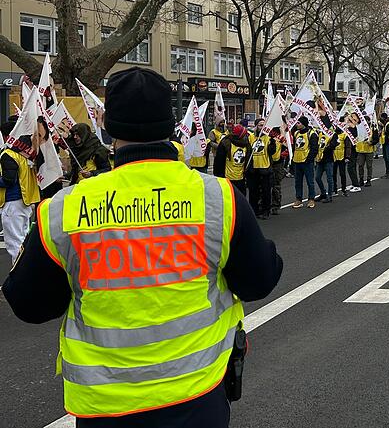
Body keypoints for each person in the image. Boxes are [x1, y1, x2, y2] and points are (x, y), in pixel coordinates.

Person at [2, 67, 282, 427]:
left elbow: (28, 303)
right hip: (195, 394)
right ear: (171, 124)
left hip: (106, 405)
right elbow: (259, 280)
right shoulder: (219, 199)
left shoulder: (63, 209)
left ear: (108, 127)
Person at [0, 118, 40, 261]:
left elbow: (8, 180)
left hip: (12, 203)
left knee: (14, 244)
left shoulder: (8, 155)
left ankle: (21, 276)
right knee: (22, 241)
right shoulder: (26, 154)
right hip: (25, 202)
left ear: (6, 137)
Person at [247, 118, 275, 219]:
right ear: (256, 126)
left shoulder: (267, 138)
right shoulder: (251, 137)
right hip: (253, 169)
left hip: (265, 168)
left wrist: (272, 142)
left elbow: (272, 152)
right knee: (253, 192)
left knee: (266, 192)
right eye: (259, 125)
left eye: (263, 125)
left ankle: (266, 211)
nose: (261, 127)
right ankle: (254, 211)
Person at [214, 124, 251, 195]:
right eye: (245, 134)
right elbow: (219, 161)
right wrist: (219, 176)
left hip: (241, 178)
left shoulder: (247, 145)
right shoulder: (226, 143)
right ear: (241, 135)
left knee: (240, 199)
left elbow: (249, 160)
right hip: (228, 179)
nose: (246, 136)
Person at [291, 116, 318, 208]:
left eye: (298, 123)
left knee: (310, 181)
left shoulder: (311, 134)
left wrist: (309, 159)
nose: (297, 124)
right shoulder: (296, 133)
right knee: (297, 182)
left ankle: (311, 199)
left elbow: (314, 149)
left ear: (303, 124)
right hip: (297, 161)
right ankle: (298, 199)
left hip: (307, 162)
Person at [314, 129, 336, 203]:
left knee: (329, 178)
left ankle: (330, 196)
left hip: (328, 160)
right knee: (317, 177)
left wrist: (326, 148)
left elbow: (335, 144)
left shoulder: (332, 134)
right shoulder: (319, 134)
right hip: (320, 160)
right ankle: (323, 193)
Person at [356, 120, 378, 187]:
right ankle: (361, 179)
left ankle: (368, 180)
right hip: (360, 150)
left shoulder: (373, 129)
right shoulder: (358, 129)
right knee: (360, 165)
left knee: (369, 166)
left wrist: (371, 143)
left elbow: (376, 139)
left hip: (369, 150)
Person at [269, 129, 285, 214]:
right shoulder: (267, 135)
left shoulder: (282, 136)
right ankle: (264, 205)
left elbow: (288, 146)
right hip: (267, 162)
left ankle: (275, 205)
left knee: (276, 185)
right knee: (265, 185)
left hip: (278, 163)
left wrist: (284, 153)